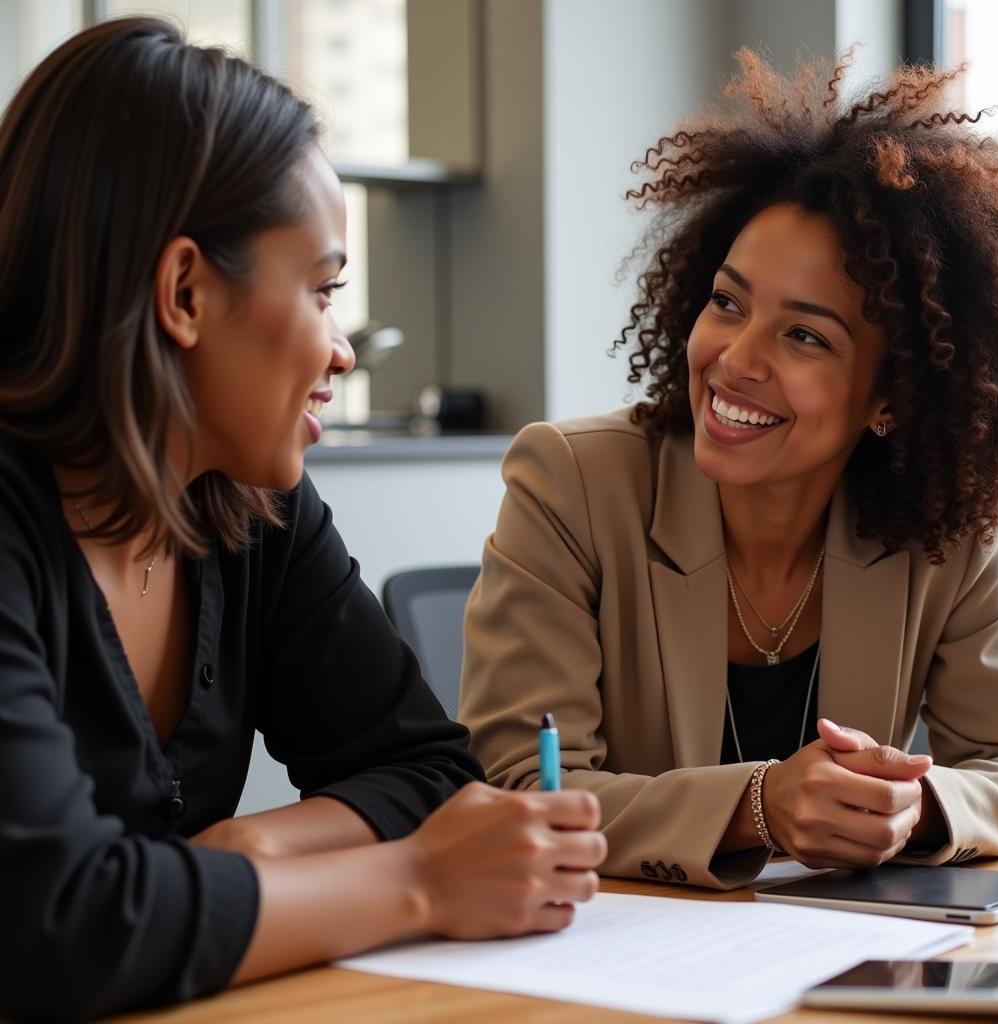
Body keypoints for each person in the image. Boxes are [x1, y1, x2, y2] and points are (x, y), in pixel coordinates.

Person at [0, 18, 606, 1022]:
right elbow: (57, 923)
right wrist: (418, 883)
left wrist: (252, 845)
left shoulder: (248, 502)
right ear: (185, 291)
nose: (342, 352)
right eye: (323, 292)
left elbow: (423, 769)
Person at [460, 51, 998, 891]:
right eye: (728, 303)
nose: (734, 360)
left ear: (893, 398)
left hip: (829, 958)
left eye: (805, 336)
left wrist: (920, 805)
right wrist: (755, 806)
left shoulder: (950, 531)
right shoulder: (569, 483)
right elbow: (520, 788)